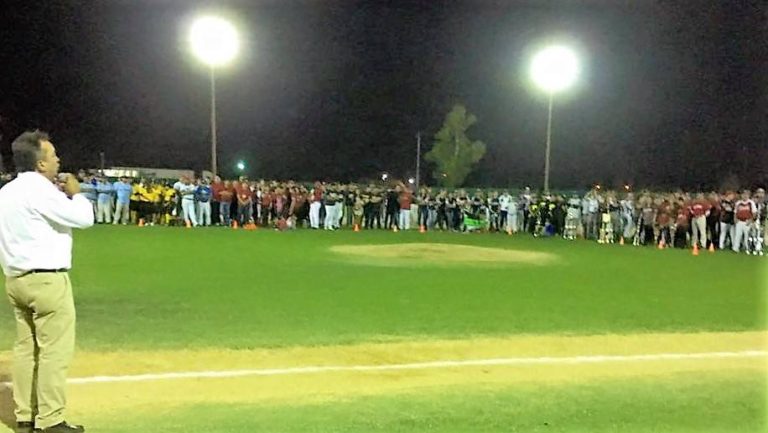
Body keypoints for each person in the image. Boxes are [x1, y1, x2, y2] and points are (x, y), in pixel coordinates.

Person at [0, 130, 93, 433]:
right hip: (46, 281)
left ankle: (25, 415)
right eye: (52, 156)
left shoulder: (6, 192)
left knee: (26, 349)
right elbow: (84, 219)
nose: (57, 160)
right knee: (54, 351)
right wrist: (76, 193)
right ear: (40, 163)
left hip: (15, 279)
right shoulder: (40, 190)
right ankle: (51, 420)